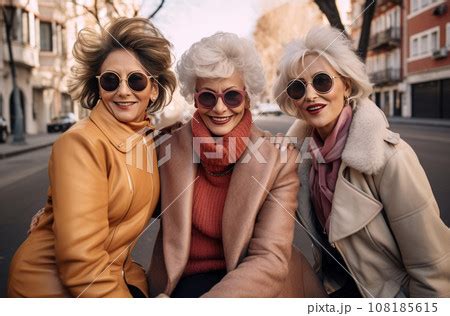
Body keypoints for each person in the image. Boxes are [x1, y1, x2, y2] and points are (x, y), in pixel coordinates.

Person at [273, 26, 450, 298]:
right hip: (337, 290)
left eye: (322, 81)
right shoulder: (300, 161)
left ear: (346, 85)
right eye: (298, 87)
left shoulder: (390, 158)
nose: (310, 95)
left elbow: (433, 267)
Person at [147, 32, 326, 298]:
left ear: (248, 98)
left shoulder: (278, 159)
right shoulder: (164, 147)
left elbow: (269, 258)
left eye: (231, 96)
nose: (220, 108)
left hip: (251, 288)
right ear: (195, 98)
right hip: (181, 283)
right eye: (208, 97)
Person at [7, 17, 176, 298]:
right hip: (50, 289)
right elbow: (81, 263)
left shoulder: (148, 140)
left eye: (136, 80)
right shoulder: (80, 143)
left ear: (153, 88)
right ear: (99, 87)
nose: (123, 91)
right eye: (111, 80)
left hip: (114, 276)